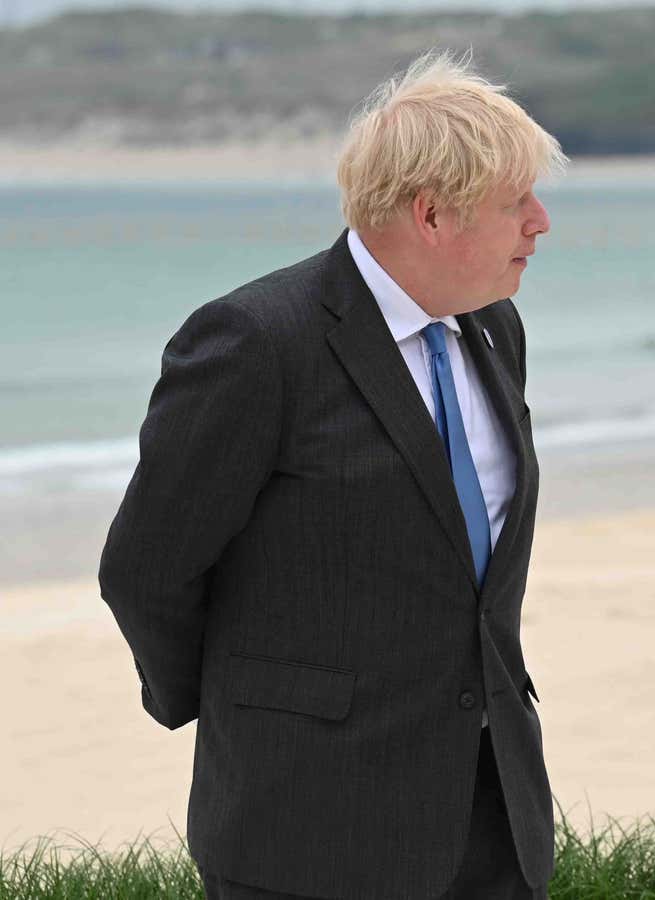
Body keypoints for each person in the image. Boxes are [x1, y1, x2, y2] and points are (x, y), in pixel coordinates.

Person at [99, 51, 566, 900]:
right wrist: (243, 704)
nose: (539, 223)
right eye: (516, 204)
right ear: (431, 214)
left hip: (493, 814)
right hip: (308, 825)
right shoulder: (256, 343)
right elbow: (148, 567)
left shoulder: (496, 329)